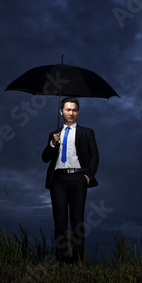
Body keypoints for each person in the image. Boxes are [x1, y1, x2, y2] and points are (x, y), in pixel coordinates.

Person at [42, 97, 99, 264]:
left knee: (77, 221)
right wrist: (53, 142)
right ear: (61, 112)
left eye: (74, 109)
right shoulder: (54, 134)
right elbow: (45, 158)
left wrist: (88, 176)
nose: (71, 112)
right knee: (60, 222)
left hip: (78, 178)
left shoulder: (87, 132)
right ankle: (61, 261)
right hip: (58, 179)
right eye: (67, 109)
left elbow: (95, 155)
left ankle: (78, 261)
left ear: (78, 112)